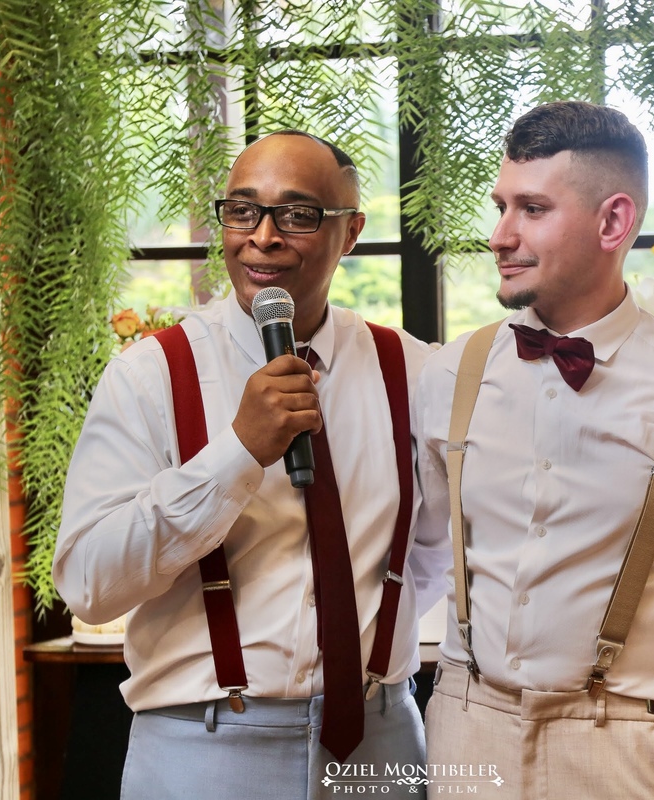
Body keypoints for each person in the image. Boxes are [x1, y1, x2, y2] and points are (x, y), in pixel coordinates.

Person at [53, 130, 450, 799]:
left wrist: (366, 646)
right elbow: (90, 584)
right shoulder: (151, 376)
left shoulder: (409, 368)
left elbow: (429, 554)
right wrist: (237, 453)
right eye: (242, 211)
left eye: (296, 215)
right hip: (202, 749)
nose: (262, 237)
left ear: (351, 233)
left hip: (377, 742)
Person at [415, 101, 654, 800]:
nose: (499, 235)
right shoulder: (448, 375)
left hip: (626, 748)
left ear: (613, 222)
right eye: (501, 207)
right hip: (465, 732)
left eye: (532, 209)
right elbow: (424, 558)